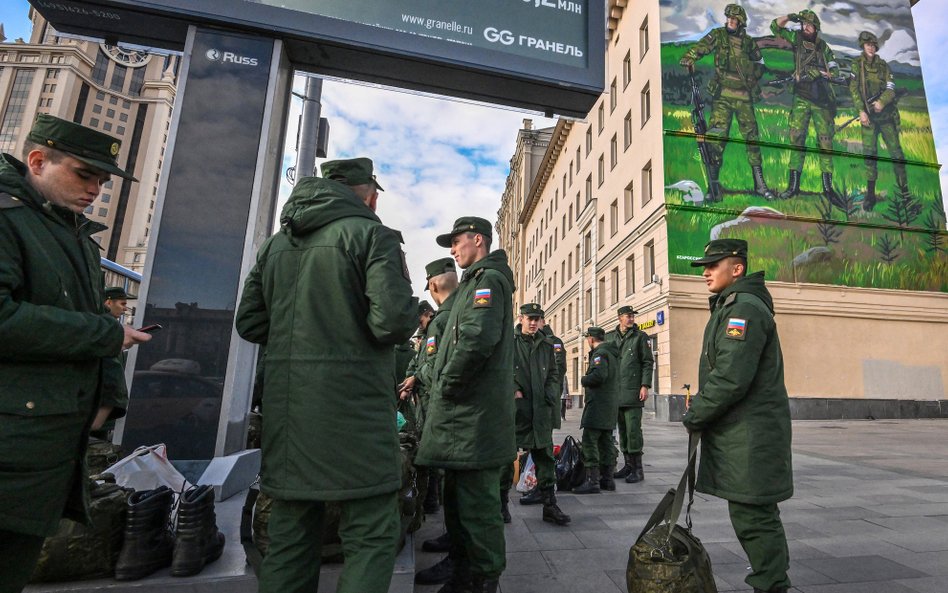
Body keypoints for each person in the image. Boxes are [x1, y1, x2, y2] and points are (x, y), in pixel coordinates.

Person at [235, 157, 417, 593]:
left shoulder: (277, 245)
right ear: (368, 193)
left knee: (290, 537)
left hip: (290, 417)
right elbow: (391, 322)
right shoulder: (374, 235)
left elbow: (250, 323)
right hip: (354, 416)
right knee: (371, 533)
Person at [0, 114, 151, 592]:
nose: (95, 189)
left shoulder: (75, 236)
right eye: (83, 174)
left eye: (102, 181)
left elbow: (90, 324)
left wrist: (106, 398)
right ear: (38, 161)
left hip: (43, 445)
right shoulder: (7, 219)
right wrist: (107, 337)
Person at [683, 238, 793, 593]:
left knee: (755, 516)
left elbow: (731, 376)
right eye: (705, 267)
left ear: (738, 268)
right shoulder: (733, 305)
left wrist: (697, 413)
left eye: (713, 266)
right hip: (744, 433)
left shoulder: (743, 310)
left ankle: (771, 585)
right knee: (753, 514)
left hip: (750, 435)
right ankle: (770, 581)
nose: (706, 273)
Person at [415, 216, 515, 593]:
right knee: (457, 499)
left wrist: (446, 387)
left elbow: (476, 340)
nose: (453, 250)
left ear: (478, 239)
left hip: (473, 415)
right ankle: (462, 569)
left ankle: (484, 580)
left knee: (478, 506)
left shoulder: (488, 281)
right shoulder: (475, 281)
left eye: (456, 242)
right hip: (463, 416)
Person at [679, 4, 775, 200]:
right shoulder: (719, 35)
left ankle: (760, 185)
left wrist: (750, 77)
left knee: (752, 140)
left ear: (741, 23)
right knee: (715, 139)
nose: (730, 21)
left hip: (744, 98)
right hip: (722, 96)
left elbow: (760, 64)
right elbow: (702, 47)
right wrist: (690, 56)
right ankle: (713, 189)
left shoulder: (748, 43)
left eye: (734, 19)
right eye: (729, 18)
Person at [405, 257, 460, 587]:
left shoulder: (440, 323)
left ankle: (463, 561)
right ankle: (453, 542)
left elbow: (436, 367)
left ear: (434, 285)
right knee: (453, 484)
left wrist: (417, 377)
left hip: (447, 410)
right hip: (443, 408)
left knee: (456, 484)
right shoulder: (445, 319)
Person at [500, 304, 570, 526]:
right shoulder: (508, 341)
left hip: (540, 408)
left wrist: (550, 394)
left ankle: (549, 504)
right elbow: (499, 368)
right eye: (530, 318)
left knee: (545, 456)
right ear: (520, 318)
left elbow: (553, 373)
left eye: (537, 319)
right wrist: (512, 388)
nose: (533, 322)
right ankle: (501, 505)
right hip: (516, 408)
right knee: (505, 457)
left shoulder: (547, 344)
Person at [771, 9, 841, 201]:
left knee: (825, 143)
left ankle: (828, 190)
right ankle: (793, 187)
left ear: (816, 27)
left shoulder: (823, 46)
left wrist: (822, 73)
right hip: (801, 97)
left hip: (821, 100)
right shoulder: (797, 39)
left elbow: (835, 70)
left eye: (809, 24)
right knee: (796, 140)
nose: (806, 27)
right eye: (803, 24)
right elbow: (774, 27)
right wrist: (789, 17)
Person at [848, 31, 909, 211]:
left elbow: (891, 88)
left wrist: (882, 101)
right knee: (870, 155)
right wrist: (861, 110)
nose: (871, 47)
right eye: (868, 45)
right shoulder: (856, 65)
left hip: (886, 117)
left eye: (873, 45)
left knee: (897, 154)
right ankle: (870, 195)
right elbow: (853, 89)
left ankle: (904, 193)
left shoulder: (883, 66)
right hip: (868, 119)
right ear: (863, 46)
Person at [606, 306, 654, 484]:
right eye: (628, 316)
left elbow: (648, 362)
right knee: (623, 431)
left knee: (633, 430)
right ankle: (627, 465)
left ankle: (637, 469)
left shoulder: (640, 337)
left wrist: (645, 385)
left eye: (632, 316)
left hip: (634, 391)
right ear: (620, 318)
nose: (631, 319)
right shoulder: (610, 337)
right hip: (616, 392)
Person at [573, 327, 620, 495]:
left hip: (598, 404)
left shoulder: (600, 354)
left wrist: (584, 379)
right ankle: (608, 479)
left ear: (591, 339)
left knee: (590, 440)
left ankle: (592, 480)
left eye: (588, 339)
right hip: (609, 404)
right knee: (606, 441)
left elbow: (598, 376)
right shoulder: (612, 354)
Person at [539, 316, 567, 430]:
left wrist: (549, 384)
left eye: (537, 320)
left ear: (543, 322)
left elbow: (559, 366)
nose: (533, 323)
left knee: (546, 428)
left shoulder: (554, 342)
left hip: (548, 390)